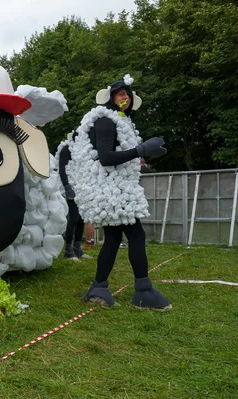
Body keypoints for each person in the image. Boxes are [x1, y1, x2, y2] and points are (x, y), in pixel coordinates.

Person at [67, 75, 171, 310]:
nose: (125, 97)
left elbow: (121, 156)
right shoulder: (105, 120)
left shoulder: (122, 123)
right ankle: (142, 291)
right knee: (136, 236)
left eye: (128, 94)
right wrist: (142, 149)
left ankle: (99, 288)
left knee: (114, 239)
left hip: (118, 188)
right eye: (120, 93)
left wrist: (140, 159)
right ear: (111, 98)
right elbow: (105, 158)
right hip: (112, 191)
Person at [57, 133, 90, 261]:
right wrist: (67, 187)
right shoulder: (66, 149)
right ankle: (68, 250)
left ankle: (78, 248)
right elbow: (62, 169)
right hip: (71, 186)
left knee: (82, 218)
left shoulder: (83, 152)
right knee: (74, 218)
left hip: (82, 187)